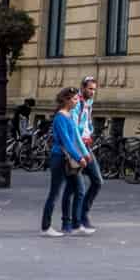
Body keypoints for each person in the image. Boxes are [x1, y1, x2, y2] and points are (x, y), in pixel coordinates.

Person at [41, 86, 89, 237]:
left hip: (68, 158)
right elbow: (66, 141)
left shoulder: (68, 115)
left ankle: (74, 224)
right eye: (75, 99)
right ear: (66, 100)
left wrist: (81, 154)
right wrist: (79, 157)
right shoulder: (60, 117)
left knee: (79, 189)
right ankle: (46, 226)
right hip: (60, 158)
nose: (77, 101)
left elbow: (74, 139)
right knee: (54, 192)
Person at [74, 77, 102, 229]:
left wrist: (90, 131)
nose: (92, 92)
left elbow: (87, 121)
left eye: (94, 89)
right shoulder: (76, 102)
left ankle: (83, 215)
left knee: (97, 181)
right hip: (77, 147)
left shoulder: (89, 103)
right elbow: (74, 127)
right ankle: (74, 220)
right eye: (90, 89)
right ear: (83, 88)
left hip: (86, 144)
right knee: (73, 188)